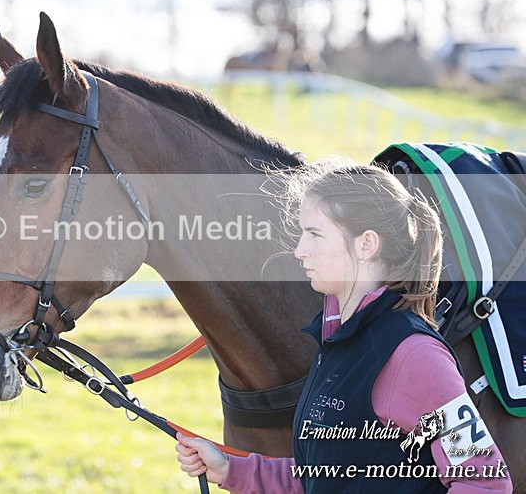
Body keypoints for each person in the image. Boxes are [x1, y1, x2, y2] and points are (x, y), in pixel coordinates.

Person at [175, 164, 512, 493]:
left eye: (315, 235)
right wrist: (230, 469)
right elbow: (325, 473)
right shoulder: (338, 342)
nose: (299, 251)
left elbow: (485, 482)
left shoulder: (415, 356)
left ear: (366, 245)